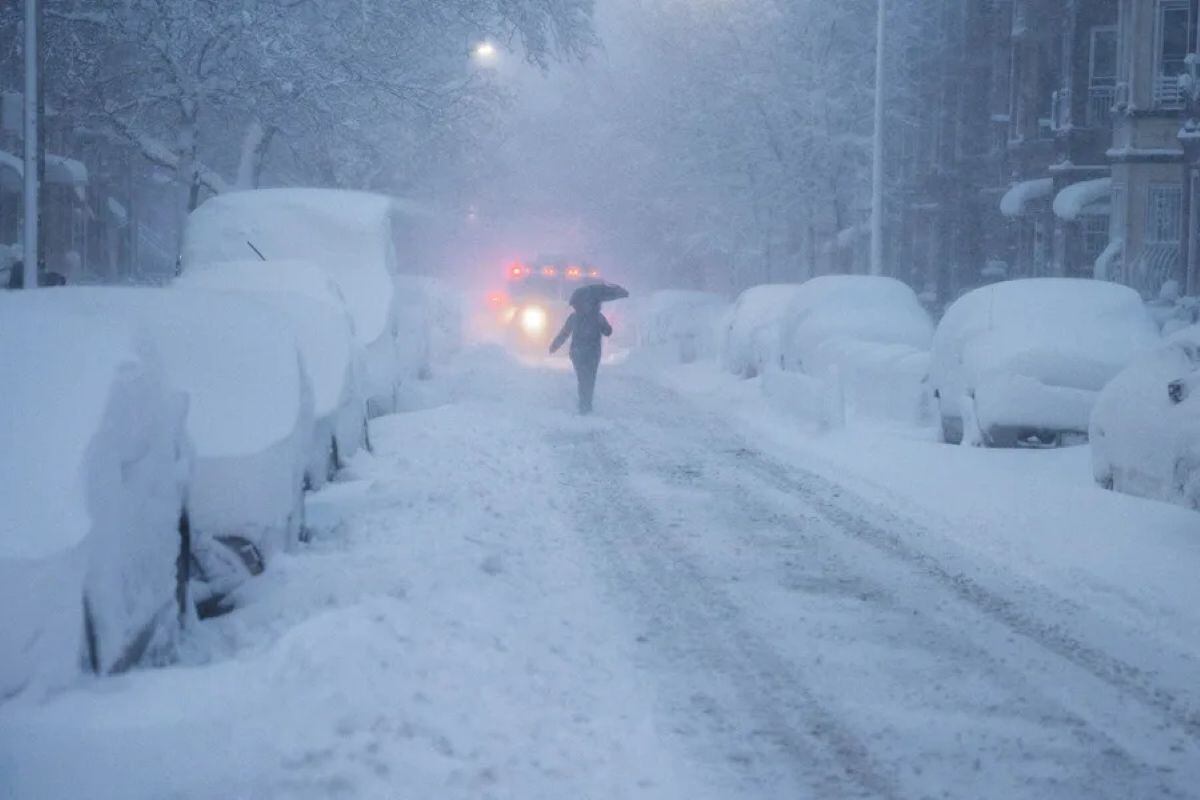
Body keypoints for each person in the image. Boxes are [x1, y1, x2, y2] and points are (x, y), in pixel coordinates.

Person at [550, 297, 612, 414]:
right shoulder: (598, 317)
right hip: (593, 353)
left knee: (582, 377)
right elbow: (608, 332)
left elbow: (564, 333)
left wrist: (555, 345)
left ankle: (584, 403)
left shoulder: (574, 317)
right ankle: (587, 403)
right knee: (590, 378)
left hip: (578, 352)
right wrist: (603, 324)